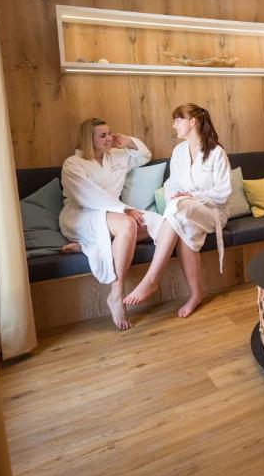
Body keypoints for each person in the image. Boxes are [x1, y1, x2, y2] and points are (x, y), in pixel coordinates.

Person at [124, 104, 232, 317]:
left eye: (177, 120)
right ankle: (195, 295)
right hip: (184, 211)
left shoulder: (216, 153)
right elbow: (171, 184)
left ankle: (152, 279)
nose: (174, 125)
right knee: (182, 225)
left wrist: (190, 197)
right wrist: (177, 196)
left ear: (192, 122)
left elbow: (223, 192)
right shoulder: (179, 152)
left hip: (212, 212)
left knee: (178, 208)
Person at [59, 118, 163, 330]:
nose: (109, 138)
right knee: (128, 225)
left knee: (163, 224)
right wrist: (124, 209)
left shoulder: (117, 156)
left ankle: (92, 244)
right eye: (103, 135)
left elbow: (144, 156)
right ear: (89, 139)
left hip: (114, 213)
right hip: (83, 214)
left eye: (109, 133)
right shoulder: (73, 164)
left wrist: (128, 142)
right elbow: (88, 195)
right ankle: (116, 294)